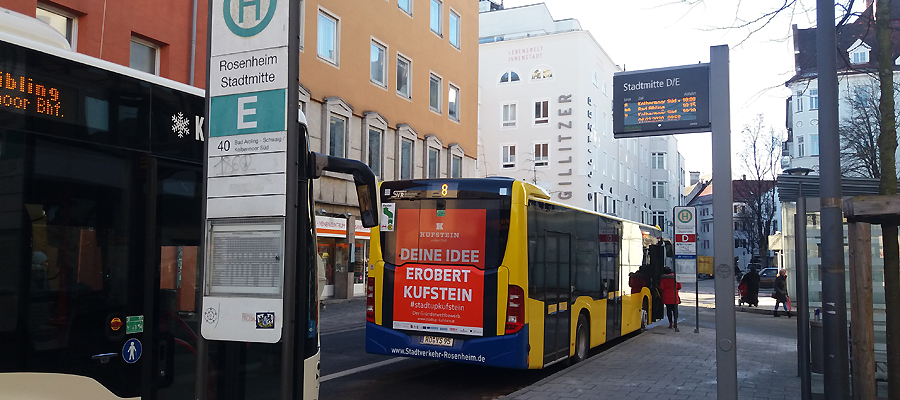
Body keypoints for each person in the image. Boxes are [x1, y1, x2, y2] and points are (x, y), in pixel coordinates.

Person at [659, 266, 682, 332]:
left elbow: (661, 287)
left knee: (669, 310)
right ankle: (675, 322)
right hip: (674, 296)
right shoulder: (676, 278)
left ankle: (670, 323)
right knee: (675, 310)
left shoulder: (663, 279)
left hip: (666, 296)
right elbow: (679, 287)